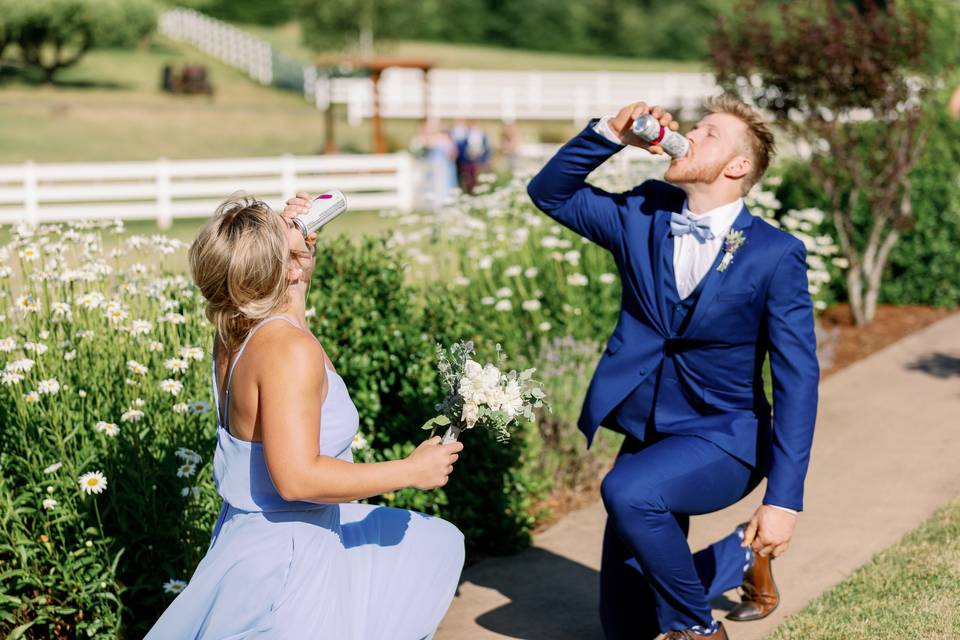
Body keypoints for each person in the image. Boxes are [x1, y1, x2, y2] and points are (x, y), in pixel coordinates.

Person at [526, 97, 819, 639]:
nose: (685, 135)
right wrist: (611, 135)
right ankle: (735, 556)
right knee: (624, 626)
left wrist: (783, 501)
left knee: (630, 491)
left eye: (709, 134)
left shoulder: (775, 254)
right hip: (648, 432)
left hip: (726, 437)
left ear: (736, 167)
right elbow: (550, 192)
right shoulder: (644, 212)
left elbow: (798, 382)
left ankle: (697, 629)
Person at [145, 192, 466, 639]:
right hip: (288, 564)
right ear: (283, 269)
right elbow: (297, 480)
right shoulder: (288, 351)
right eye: (285, 235)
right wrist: (410, 470)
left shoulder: (236, 328)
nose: (296, 230)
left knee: (433, 541)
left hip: (252, 541)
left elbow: (285, 313)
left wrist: (293, 258)